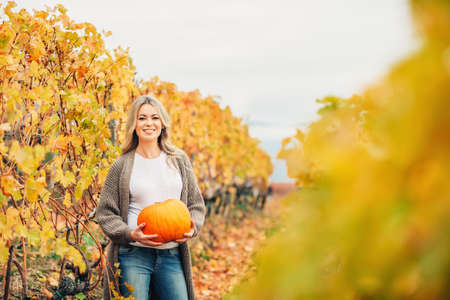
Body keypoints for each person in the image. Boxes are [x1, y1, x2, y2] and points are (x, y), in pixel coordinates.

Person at [96, 95, 206, 300]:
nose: (149, 123)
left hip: (172, 254)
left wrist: (193, 227)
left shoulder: (178, 160)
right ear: (133, 125)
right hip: (133, 255)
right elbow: (105, 213)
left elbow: (196, 204)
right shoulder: (121, 165)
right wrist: (129, 233)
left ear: (162, 124)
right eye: (142, 118)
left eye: (155, 118)